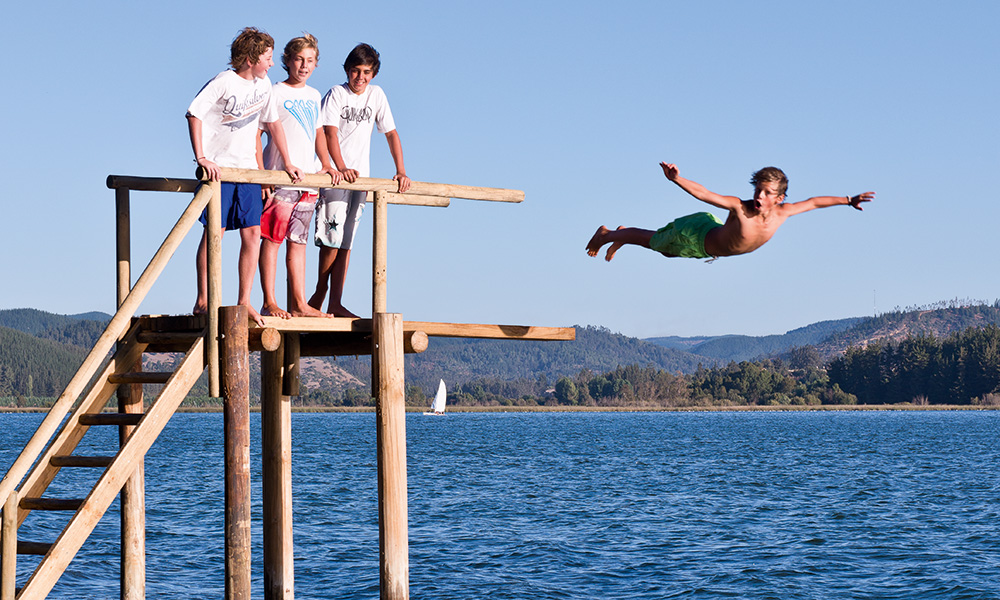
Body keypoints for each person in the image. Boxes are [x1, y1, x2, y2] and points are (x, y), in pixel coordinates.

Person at [187, 27, 303, 327]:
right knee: (215, 232)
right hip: (219, 170)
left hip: (248, 170)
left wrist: (286, 162)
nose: (272, 64)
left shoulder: (264, 86)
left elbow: (273, 123)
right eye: (267, 57)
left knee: (252, 234)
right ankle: (203, 298)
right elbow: (194, 114)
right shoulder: (224, 81)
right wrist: (201, 157)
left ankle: (244, 301)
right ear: (251, 58)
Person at [586, 162, 874, 262]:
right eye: (757, 190)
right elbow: (706, 194)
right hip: (696, 235)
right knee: (658, 246)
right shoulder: (740, 207)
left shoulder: (783, 212)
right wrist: (676, 179)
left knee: (663, 251)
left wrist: (847, 199)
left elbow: (813, 202)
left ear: (780, 198)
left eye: (766, 193)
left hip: (707, 248)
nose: (759, 197)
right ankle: (611, 234)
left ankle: (622, 236)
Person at [309, 43, 411, 318]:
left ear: (374, 74)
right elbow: (329, 133)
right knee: (331, 237)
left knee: (347, 240)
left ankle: (336, 301)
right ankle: (318, 295)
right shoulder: (337, 94)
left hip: (362, 179)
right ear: (347, 70)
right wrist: (340, 167)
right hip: (337, 178)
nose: (360, 77)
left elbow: (390, 134)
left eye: (366, 72)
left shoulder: (376, 95)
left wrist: (400, 170)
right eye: (356, 71)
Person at [258, 33, 341, 319]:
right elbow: (258, 134)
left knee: (299, 241)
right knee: (272, 238)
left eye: (310, 61)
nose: (303, 66)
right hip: (280, 177)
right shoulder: (275, 91)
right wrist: (262, 175)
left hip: (308, 180)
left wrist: (326, 163)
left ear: (316, 64)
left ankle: (299, 303)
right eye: (299, 60)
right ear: (287, 61)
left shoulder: (314, 95)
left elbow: (318, 132)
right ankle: (269, 300)